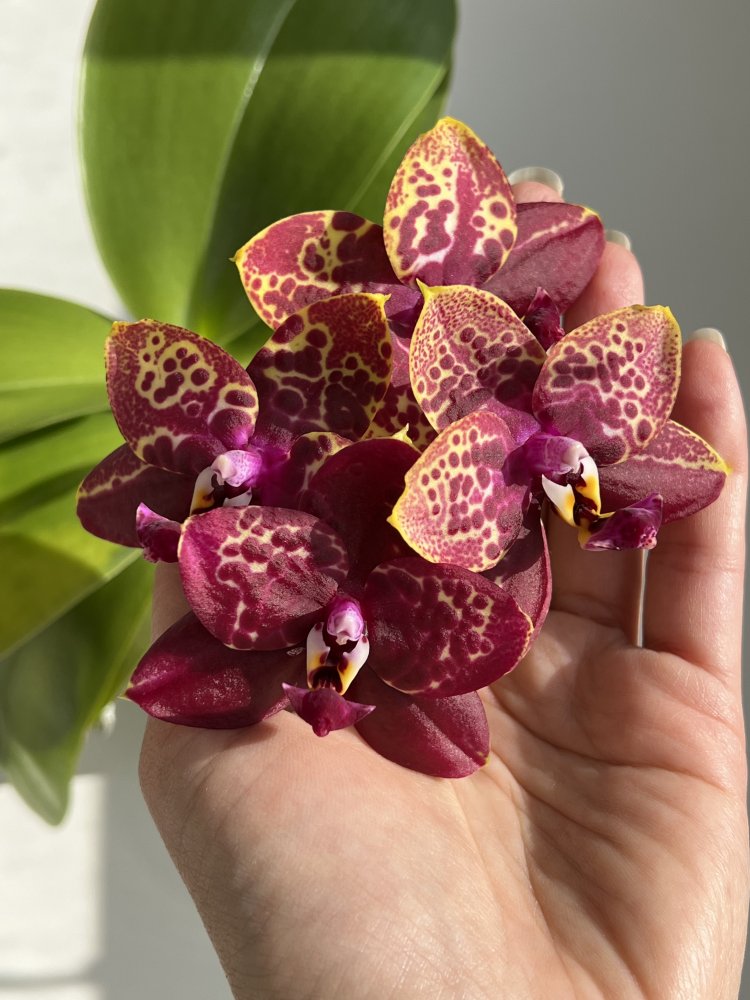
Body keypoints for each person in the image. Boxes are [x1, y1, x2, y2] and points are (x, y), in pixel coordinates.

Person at [139, 171, 749, 999]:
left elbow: (674, 464)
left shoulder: (473, 515)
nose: (431, 316)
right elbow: (282, 283)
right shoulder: (333, 471)